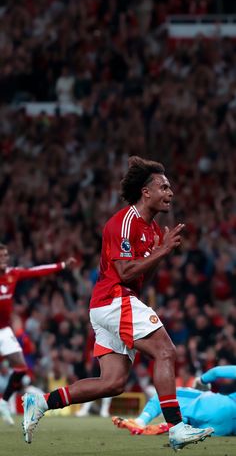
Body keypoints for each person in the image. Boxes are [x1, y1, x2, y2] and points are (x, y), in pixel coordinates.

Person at [22, 156, 213, 450]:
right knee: (165, 350)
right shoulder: (124, 222)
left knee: (113, 382)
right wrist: (161, 252)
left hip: (112, 303)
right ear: (145, 192)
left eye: (170, 187)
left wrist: (159, 252)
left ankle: (43, 401)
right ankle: (176, 428)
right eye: (163, 187)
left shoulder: (150, 230)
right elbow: (124, 273)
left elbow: (141, 274)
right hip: (114, 298)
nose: (170, 193)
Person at [0, 242, 76, 425]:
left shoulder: (12, 274)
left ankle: (3, 402)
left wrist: (62, 265)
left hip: (3, 330)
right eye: (1, 256)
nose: (5, 259)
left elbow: (36, 271)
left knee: (21, 368)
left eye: (6, 255)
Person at [112, 365, 236, 436]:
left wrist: (202, 380)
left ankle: (141, 421)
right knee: (194, 424)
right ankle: (174, 425)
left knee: (168, 394)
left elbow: (216, 372)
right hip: (225, 429)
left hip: (222, 405)